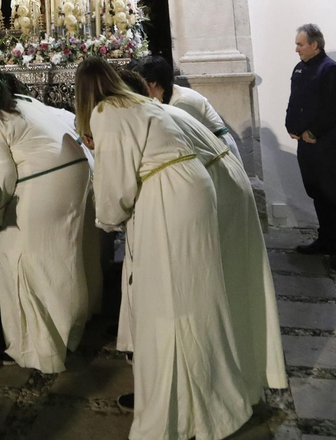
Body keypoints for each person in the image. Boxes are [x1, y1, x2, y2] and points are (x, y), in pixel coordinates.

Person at [77, 58, 253, 440]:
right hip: (189, 186)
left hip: (168, 195)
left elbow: (115, 184)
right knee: (192, 300)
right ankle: (208, 405)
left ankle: (175, 411)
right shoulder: (139, 103)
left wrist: (106, 219)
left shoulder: (106, 112)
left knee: (166, 305)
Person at [119, 69, 288, 400]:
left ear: (152, 84)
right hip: (211, 174)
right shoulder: (160, 108)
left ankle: (208, 381)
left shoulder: (178, 106)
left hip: (212, 177)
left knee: (201, 284)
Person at [0, 66, 95, 374]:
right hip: (77, 173)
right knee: (63, 255)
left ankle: (35, 347)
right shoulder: (30, 103)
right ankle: (69, 331)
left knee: (13, 255)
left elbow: (2, 175)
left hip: (46, 182)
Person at [286, 23, 336, 270]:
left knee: (333, 195)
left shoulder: (330, 70)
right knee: (317, 193)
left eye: (300, 44)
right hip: (306, 145)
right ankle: (326, 241)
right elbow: (295, 101)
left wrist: (313, 133)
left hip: (327, 145)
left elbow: (333, 109)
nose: (297, 49)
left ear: (314, 44)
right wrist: (291, 126)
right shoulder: (300, 69)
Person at [134, 55, 242, 162]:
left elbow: (184, 139)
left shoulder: (183, 101)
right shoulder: (161, 98)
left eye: (140, 82)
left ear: (153, 83)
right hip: (204, 150)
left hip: (217, 152)